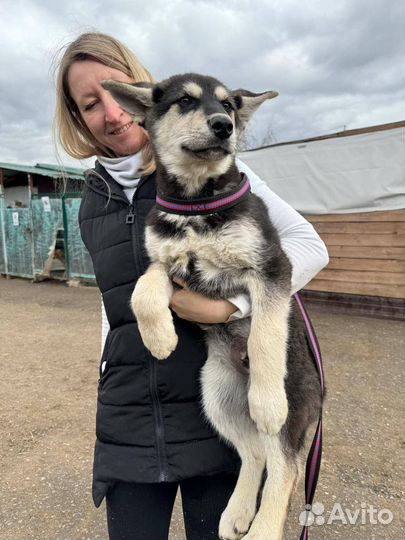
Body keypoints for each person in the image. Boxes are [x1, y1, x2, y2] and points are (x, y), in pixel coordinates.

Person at [54, 32, 329, 540]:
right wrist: (106, 364)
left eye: (118, 95)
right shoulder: (91, 200)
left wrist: (228, 309)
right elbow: (111, 302)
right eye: (91, 104)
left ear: (144, 99)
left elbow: (307, 247)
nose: (112, 114)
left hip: (207, 410)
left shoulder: (219, 173)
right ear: (77, 117)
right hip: (130, 414)